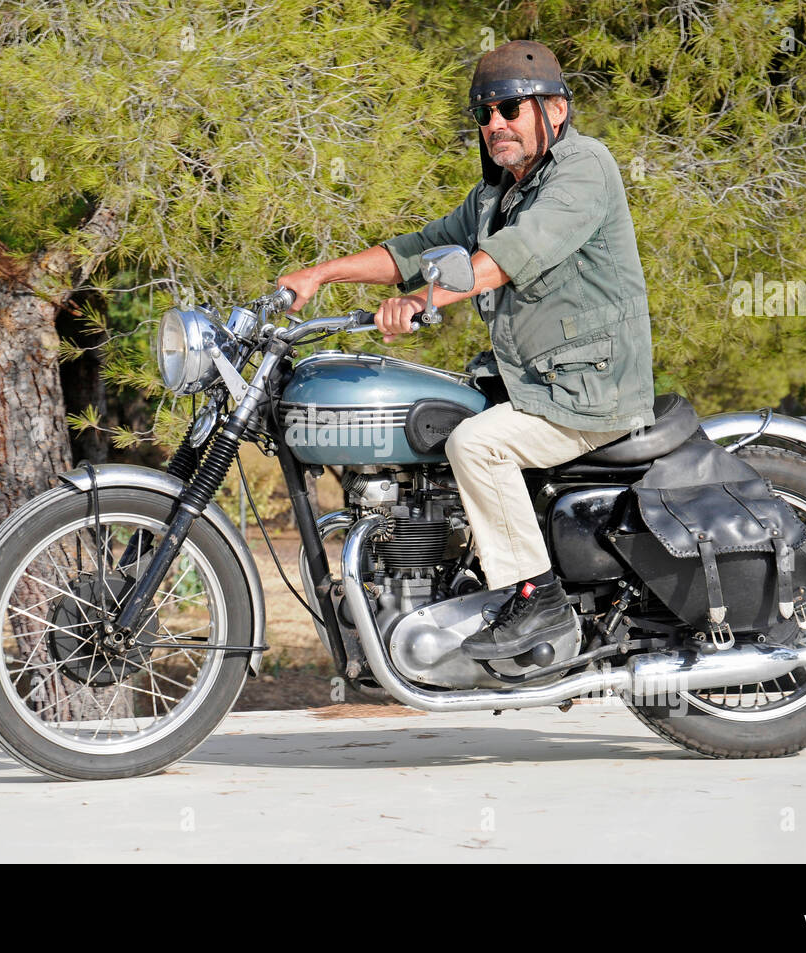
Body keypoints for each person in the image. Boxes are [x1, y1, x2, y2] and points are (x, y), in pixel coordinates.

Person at [276, 40, 655, 661]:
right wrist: (320, 274)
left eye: (510, 107)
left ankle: (537, 602)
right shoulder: (492, 198)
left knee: (475, 443)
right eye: (484, 113)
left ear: (554, 110)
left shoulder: (585, 168)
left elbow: (513, 256)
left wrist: (426, 300)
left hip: (588, 391)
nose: (495, 124)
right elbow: (411, 250)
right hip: (527, 383)